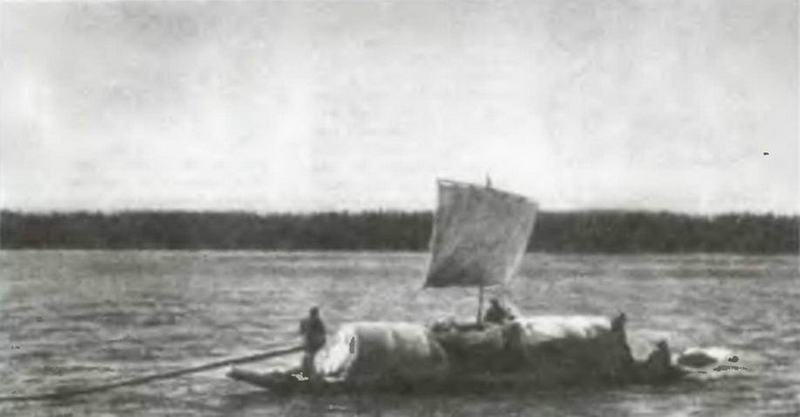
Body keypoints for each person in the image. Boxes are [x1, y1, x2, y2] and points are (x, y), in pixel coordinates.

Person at [299, 307, 326, 375]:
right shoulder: (318, 321)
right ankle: (312, 372)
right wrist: (323, 341)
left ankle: (305, 369)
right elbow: (323, 332)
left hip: (306, 341)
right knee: (312, 357)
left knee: (308, 355)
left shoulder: (303, 321)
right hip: (314, 342)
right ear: (316, 313)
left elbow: (301, 332)